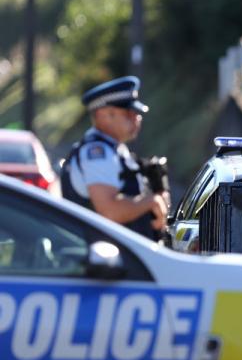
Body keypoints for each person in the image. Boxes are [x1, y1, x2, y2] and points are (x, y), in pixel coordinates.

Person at [61, 76, 168, 240]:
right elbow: (110, 211)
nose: (136, 118)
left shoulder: (115, 149)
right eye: (128, 113)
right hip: (101, 257)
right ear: (103, 114)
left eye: (136, 113)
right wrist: (151, 201)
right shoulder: (97, 153)